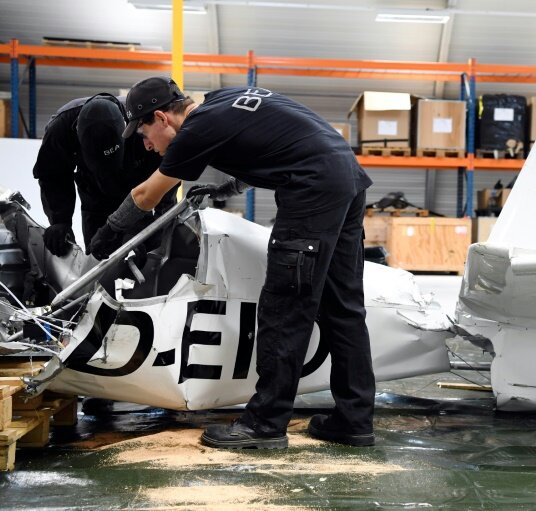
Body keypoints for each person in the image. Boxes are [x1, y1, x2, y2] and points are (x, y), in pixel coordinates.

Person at [89, 77, 376, 449]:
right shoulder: (222, 101)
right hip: (347, 179)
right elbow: (265, 146)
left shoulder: (195, 130)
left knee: (285, 308)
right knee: (343, 307)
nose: (146, 144)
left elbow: (147, 193)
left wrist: (108, 232)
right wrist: (223, 190)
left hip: (313, 191)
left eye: (143, 133)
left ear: (162, 118)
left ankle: (265, 424)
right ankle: (354, 421)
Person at [32, 93, 175, 256]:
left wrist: (158, 224)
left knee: (145, 257)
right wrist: (60, 220)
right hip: (95, 199)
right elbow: (53, 175)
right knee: (98, 256)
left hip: (139, 197)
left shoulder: (144, 122)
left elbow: (167, 173)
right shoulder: (61, 129)